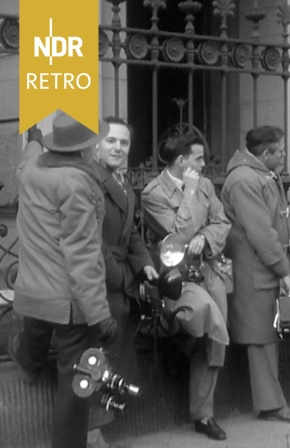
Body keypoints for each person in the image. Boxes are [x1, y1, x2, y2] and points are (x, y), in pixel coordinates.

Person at [11, 112, 117, 448]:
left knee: (35, 335)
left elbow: (29, 154)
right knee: (75, 385)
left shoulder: (30, 170)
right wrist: (100, 315)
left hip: (31, 293)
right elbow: (83, 256)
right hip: (69, 303)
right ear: (87, 148)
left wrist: (35, 139)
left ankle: (26, 363)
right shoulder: (77, 184)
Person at [221, 125, 290, 423]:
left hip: (264, 268)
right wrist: (284, 271)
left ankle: (273, 402)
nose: (283, 157)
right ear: (265, 152)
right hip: (257, 271)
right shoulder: (245, 179)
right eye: (280, 152)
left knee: (269, 335)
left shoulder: (256, 174)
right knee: (261, 339)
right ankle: (272, 406)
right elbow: (261, 233)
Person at [141, 131, 230, 441]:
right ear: (181, 161)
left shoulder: (206, 185)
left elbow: (222, 222)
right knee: (207, 321)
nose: (204, 164)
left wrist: (205, 237)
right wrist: (189, 194)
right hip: (174, 277)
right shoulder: (154, 193)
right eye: (198, 158)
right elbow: (176, 235)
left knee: (215, 337)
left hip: (205, 268)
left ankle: (204, 415)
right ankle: (180, 347)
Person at [86, 117, 159, 448]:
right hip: (98, 281)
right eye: (111, 141)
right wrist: (124, 277)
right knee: (96, 354)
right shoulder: (90, 181)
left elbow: (131, 235)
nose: (117, 147)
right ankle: (92, 431)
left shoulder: (123, 184)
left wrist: (146, 266)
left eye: (124, 142)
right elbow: (90, 243)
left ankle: (105, 422)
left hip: (119, 279)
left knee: (115, 352)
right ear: (97, 144)